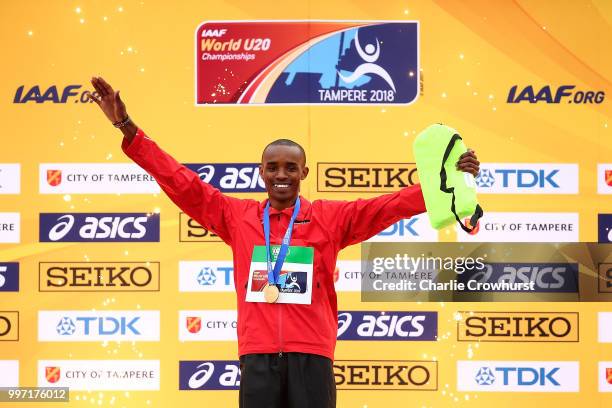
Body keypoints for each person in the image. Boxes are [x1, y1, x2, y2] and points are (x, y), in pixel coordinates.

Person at [87, 76, 480, 408]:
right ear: (260, 172)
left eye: (290, 168)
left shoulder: (329, 218)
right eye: (273, 167)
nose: (281, 175)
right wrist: (127, 128)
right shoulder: (236, 218)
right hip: (257, 356)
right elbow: (180, 182)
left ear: (304, 172)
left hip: (312, 355)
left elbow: (386, 207)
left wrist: (449, 180)